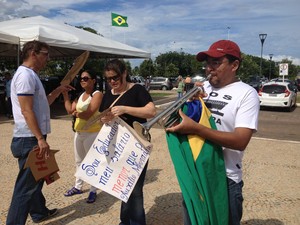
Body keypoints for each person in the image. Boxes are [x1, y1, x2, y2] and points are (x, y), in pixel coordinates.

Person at [166, 40, 260, 225]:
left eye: (216, 63)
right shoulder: (202, 88)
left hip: (225, 179)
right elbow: (181, 119)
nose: (209, 68)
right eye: (208, 63)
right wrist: (189, 106)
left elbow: (241, 141)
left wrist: (196, 128)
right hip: (197, 171)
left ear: (234, 65)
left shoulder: (247, 94)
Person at [7, 40, 73, 225]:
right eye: (45, 54)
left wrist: (58, 91)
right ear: (33, 53)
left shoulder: (31, 75)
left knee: (36, 177)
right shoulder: (26, 76)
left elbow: (42, 104)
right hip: (30, 137)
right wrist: (39, 138)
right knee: (25, 188)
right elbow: (26, 110)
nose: (48, 58)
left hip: (30, 136)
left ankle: (39, 212)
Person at [99, 59, 156, 225]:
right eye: (108, 79)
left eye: (115, 78)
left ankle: (137, 222)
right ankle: (125, 221)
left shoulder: (137, 90)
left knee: (135, 190)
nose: (112, 82)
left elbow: (151, 111)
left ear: (124, 73)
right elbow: (102, 117)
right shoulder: (108, 93)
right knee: (123, 187)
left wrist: (125, 109)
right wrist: (106, 118)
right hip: (117, 147)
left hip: (136, 146)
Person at [62, 70, 103, 203]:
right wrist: (65, 95)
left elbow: (88, 113)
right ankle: (78, 186)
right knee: (79, 161)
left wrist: (76, 113)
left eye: (86, 78)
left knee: (92, 162)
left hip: (92, 132)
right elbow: (69, 110)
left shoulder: (97, 94)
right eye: (81, 79)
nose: (83, 80)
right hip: (79, 132)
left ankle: (93, 189)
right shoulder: (80, 95)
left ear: (93, 80)